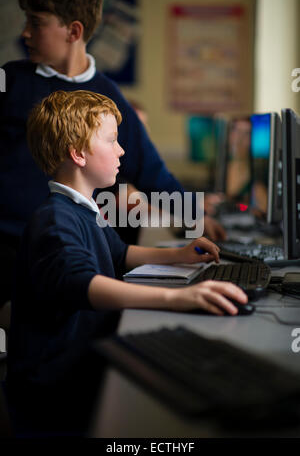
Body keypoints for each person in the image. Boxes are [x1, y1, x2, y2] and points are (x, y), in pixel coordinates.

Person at [7, 90, 247, 388]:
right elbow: (81, 283)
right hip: (58, 383)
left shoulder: (82, 208)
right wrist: (176, 298)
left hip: (81, 359)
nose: (121, 151)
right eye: (111, 140)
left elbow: (119, 253)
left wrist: (180, 255)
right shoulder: (55, 221)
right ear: (78, 153)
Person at [0, 0, 225, 303]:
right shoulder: (8, 79)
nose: (25, 32)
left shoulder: (107, 99)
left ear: (74, 31)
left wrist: (195, 217)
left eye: (36, 23)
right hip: (9, 242)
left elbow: (152, 172)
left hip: (70, 238)